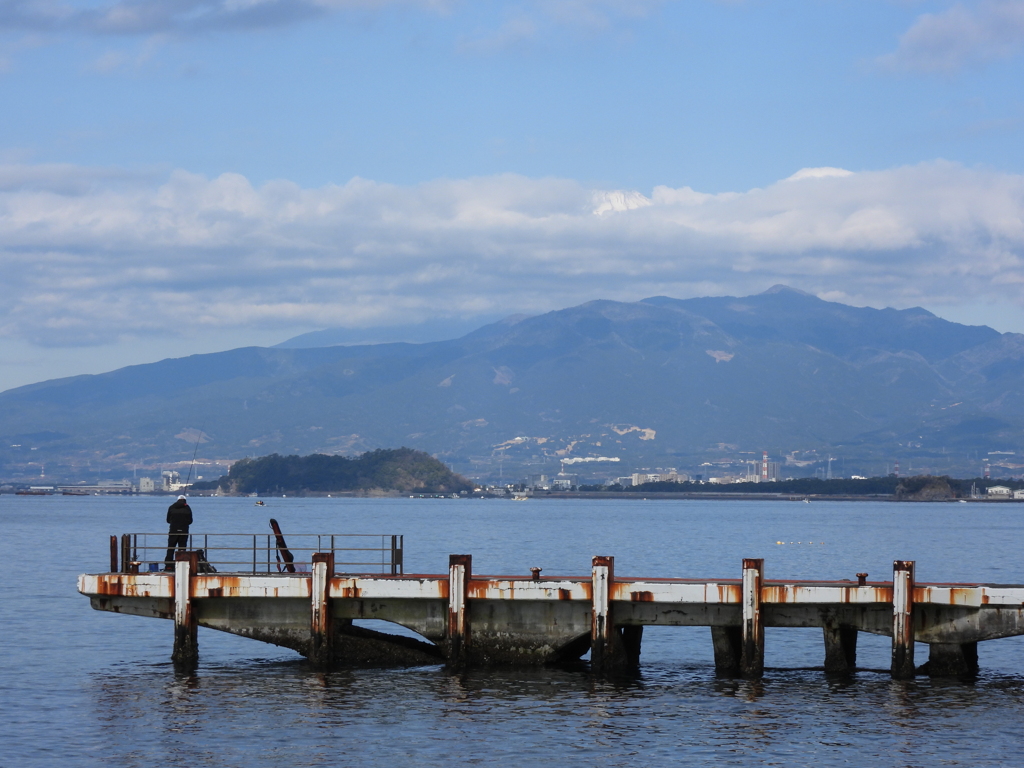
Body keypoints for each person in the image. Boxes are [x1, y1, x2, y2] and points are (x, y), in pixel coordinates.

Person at [164, 495, 193, 571]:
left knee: (171, 548)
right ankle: (181, 566)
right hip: (184, 531)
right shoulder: (187, 508)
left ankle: (168, 565)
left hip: (173, 531)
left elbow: (168, 520)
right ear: (184, 500)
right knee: (182, 548)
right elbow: (190, 521)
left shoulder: (171, 507)